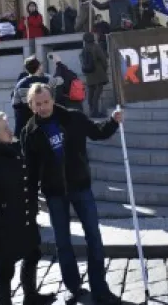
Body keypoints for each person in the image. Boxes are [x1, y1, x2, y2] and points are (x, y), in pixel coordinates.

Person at [20, 83, 123, 305]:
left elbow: (97, 133)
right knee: (62, 241)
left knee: (93, 236)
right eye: (38, 104)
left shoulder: (73, 117)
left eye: (46, 102)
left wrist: (113, 121)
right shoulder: (29, 132)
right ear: (31, 105)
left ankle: (100, 287)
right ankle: (73, 286)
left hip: (80, 186)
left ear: (52, 99)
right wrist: (29, 205)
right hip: (54, 192)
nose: (43, 107)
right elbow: (30, 171)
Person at [0, 112, 54, 305]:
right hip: (3, 228)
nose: (10, 131)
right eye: (4, 129)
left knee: (32, 255)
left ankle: (31, 296)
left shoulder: (11, 151)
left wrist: (31, 209)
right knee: (5, 271)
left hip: (24, 219)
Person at [11, 56, 63, 137]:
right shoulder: (47, 80)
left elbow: (15, 104)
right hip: (45, 122)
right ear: (39, 67)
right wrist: (58, 63)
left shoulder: (20, 83)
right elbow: (60, 80)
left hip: (26, 124)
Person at [81, 32, 109, 118]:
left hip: (89, 74)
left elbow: (83, 62)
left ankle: (91, 111)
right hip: (98, 73)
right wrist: (104, 69)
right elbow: (104, 60)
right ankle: (95, 112)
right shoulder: (96, 47)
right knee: (97, 94)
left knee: (91, 93)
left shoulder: (84, 49)